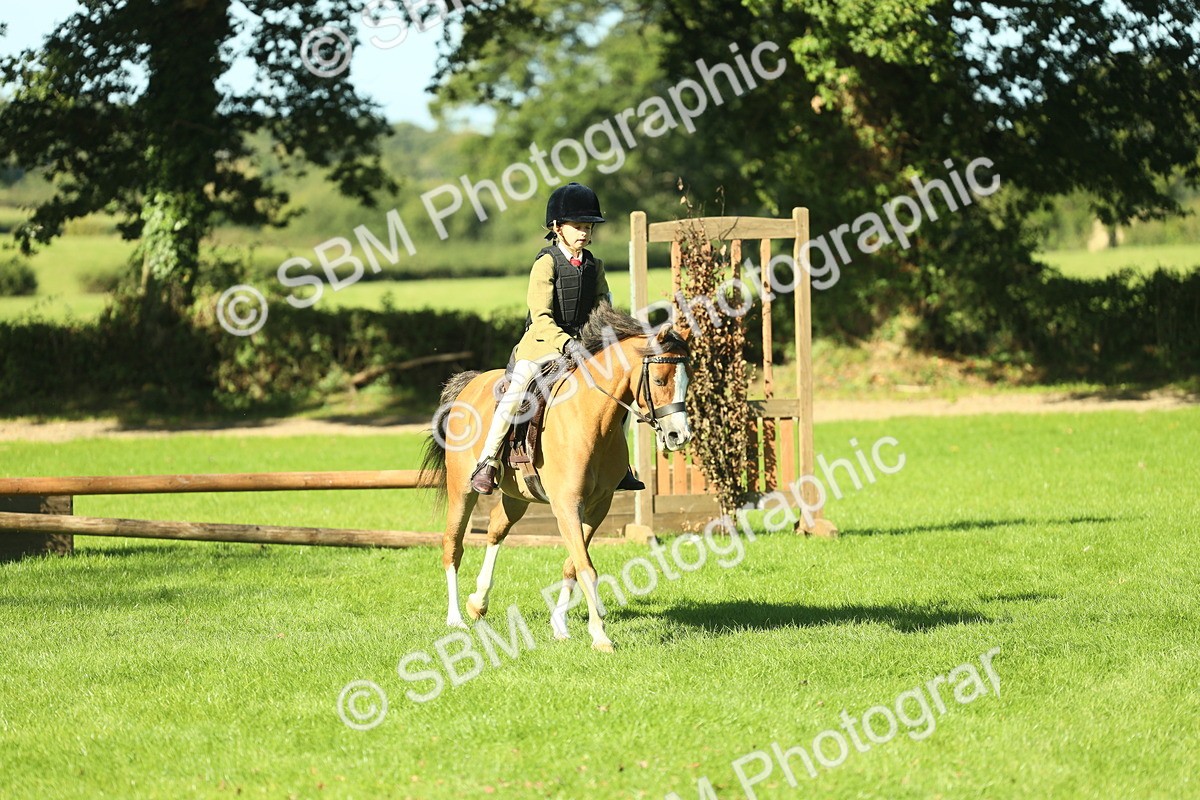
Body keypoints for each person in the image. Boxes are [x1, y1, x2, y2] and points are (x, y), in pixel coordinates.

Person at [470, 181, 645, 495]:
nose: (584, 233)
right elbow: (541, 318)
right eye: (577, 226)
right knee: (517, 389)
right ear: (557, 228)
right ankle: (488, 461)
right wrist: (567, 344)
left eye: (588, 227)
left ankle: (619, 465)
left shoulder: (595, 265)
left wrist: (611, 338)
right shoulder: (546, 263)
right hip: (542, 345)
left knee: (620, 389)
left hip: (584, 347)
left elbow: (603, 309)